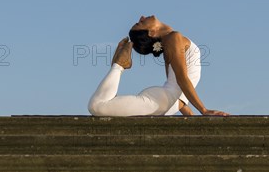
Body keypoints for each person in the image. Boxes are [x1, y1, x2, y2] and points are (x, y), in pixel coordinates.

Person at [87, 15, 229, 117]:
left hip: (163, 100)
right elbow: (181, 79)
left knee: (101, 106)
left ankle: (118, 66)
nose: (142, 17)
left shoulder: (170, 41)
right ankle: (119, 65)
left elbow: (178, 90)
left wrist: (190, 116)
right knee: (97, 106)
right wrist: (204, 110)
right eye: (140, 23)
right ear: (152, 32)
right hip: (160, 100)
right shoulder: (173, 38)